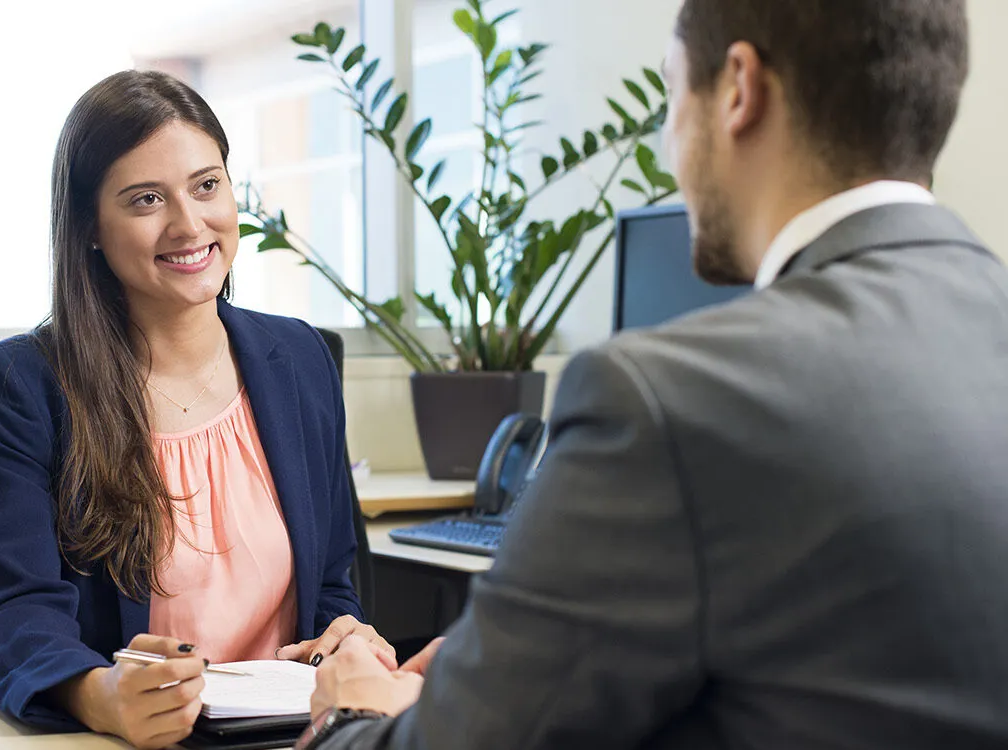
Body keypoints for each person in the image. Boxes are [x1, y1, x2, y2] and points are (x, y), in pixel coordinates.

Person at [300, 1, 1008, 748]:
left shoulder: (669, 398)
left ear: (739, 89)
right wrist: (508, 667)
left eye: (672, 92)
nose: (671, 143)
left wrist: (354, 710)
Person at [0, 69, 392, 749]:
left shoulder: (300, 359)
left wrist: (343, 640)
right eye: (146, 198)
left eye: (206, 185)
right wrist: (103, 697)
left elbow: (330, 583)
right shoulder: (18, 386)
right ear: (90, 227)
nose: (190, 225)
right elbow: (15, 617)